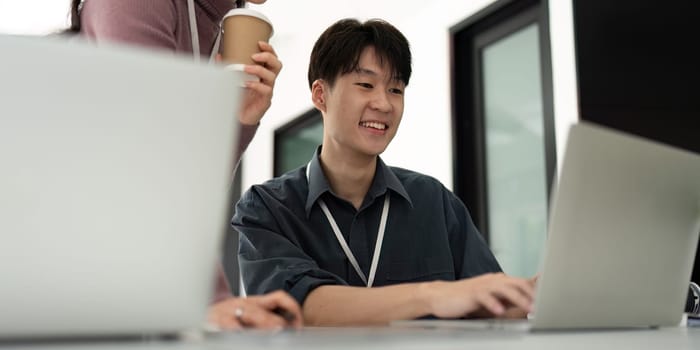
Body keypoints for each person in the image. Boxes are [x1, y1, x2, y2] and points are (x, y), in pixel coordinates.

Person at [233, 18, 535, 326]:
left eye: (395, 89)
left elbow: (493, 303)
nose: (384, 103)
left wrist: (533, 294)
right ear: (320, 95)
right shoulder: (267, 208)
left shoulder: (434, 201)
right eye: (366, 85)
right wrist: (434, 295)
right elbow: (299, 309)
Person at [65, 0, 302, 329]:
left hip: (127, 285)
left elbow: (191, 186)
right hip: (76, 277)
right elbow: (150, 161)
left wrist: (240, 120)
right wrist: (211, 302)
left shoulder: (221, 21)